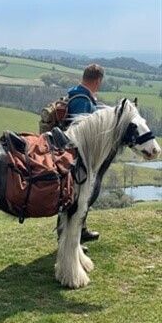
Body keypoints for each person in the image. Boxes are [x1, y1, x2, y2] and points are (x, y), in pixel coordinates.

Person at [60, 64, 105, 246]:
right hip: (75, 153)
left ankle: (81, 230)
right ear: (98, 81)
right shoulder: (81, 99)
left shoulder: (80, 94)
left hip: (73, 152)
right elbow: (81, 129)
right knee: (73, 197)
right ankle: (69, 239)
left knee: (79, 196)